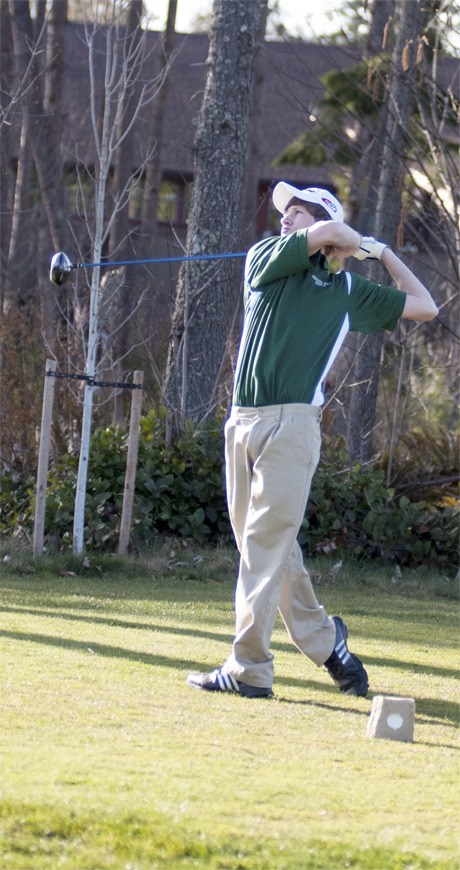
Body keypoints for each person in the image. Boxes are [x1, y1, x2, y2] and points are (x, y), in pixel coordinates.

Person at [187, 183, 438, 699]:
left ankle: (249, 669)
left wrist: (379, 252)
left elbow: (425, 305)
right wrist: (339, 237)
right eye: (286, 213)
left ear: (321, 223)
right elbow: (326, 233)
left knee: (263, 549)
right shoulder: (265, 259)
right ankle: (328, 644)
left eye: (297, 213)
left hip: (294, 426)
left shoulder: (347, 292)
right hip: (242, 422)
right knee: (267, 550)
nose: (284, 219)